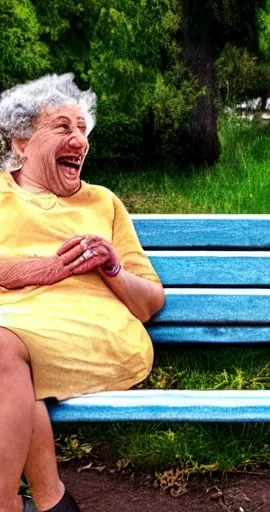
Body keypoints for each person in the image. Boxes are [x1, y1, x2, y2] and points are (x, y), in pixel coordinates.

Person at [0, 74, 165, 511]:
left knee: (2, 350)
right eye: (62, 127)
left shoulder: (102, 202)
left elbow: (149, 303)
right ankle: (54, 502)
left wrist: (111, 266)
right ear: (21, 142)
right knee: (9, 361)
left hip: (95, 333)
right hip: (14, 339)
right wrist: (45, 268)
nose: (78, 139)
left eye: (81, 129)